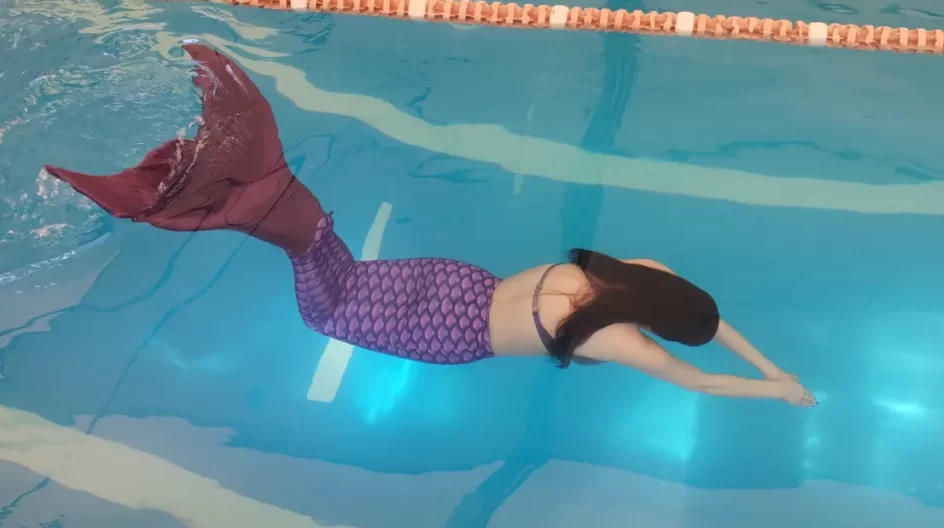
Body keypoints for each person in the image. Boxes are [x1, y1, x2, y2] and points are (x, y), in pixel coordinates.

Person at [45, 44, 816, 408]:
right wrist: (777, 390)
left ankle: (259, 195)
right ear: (662, 326)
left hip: (453, 284)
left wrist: (768, 361)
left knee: (332, 261)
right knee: (325, 308)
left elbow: (704, 317)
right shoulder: (623, 342)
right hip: (447, 332)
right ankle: (245, 199)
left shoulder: (635, 272)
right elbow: (701, 375)